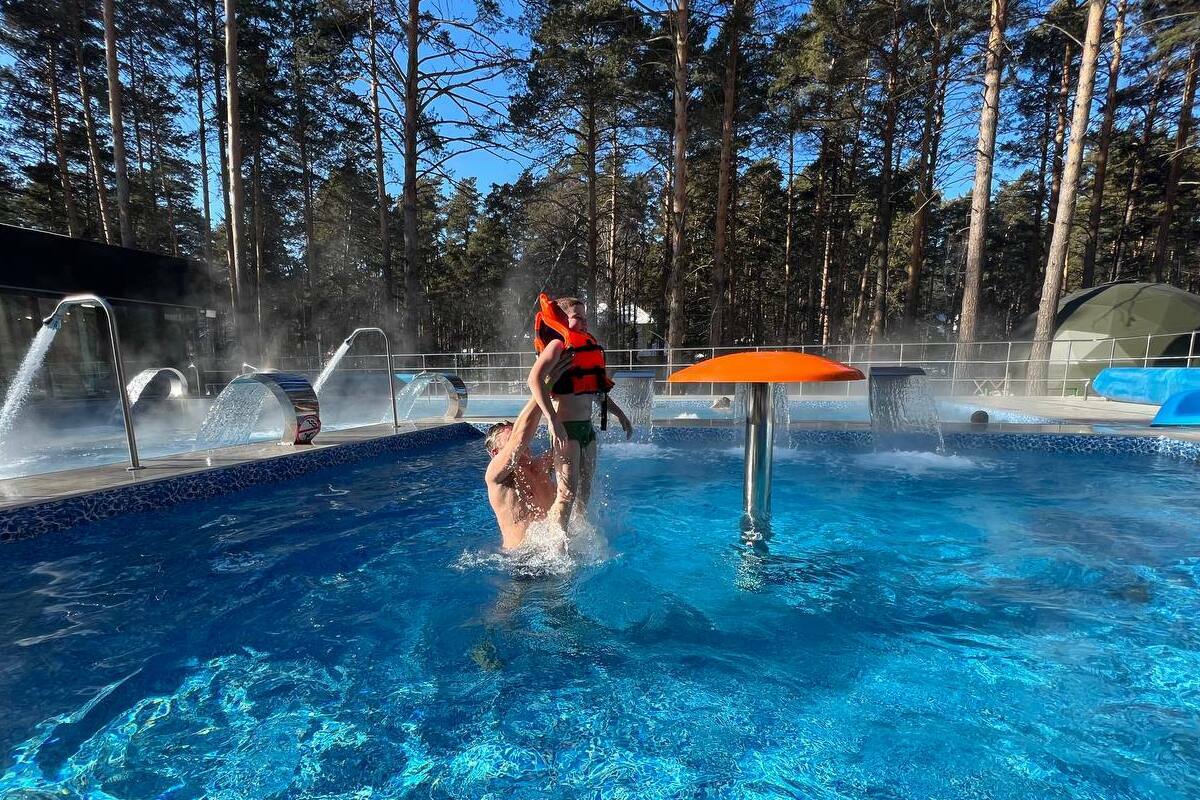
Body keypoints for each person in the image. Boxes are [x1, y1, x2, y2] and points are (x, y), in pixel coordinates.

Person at [527, 295, 632, 532]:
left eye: (585, 318)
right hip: (566, 429)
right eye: (577, 317)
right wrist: (552, 420)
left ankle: (579, 533)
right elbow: (534, 380)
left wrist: (620, 414)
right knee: (566, 494)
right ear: (563, 319)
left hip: (587, 429)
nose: (584, 323)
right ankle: (556, 543)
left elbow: (595, 391)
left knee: (585, 489)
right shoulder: (558, 345)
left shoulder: (585, 347)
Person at [483, 352, 573, 549]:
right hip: (521, 559)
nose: (523, 446)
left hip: (553, 551)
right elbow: (520, 436)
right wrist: (545, 383)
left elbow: (569, 444)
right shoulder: (496, 476)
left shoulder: (540, 466)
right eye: (509, 441)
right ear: (496, 453)